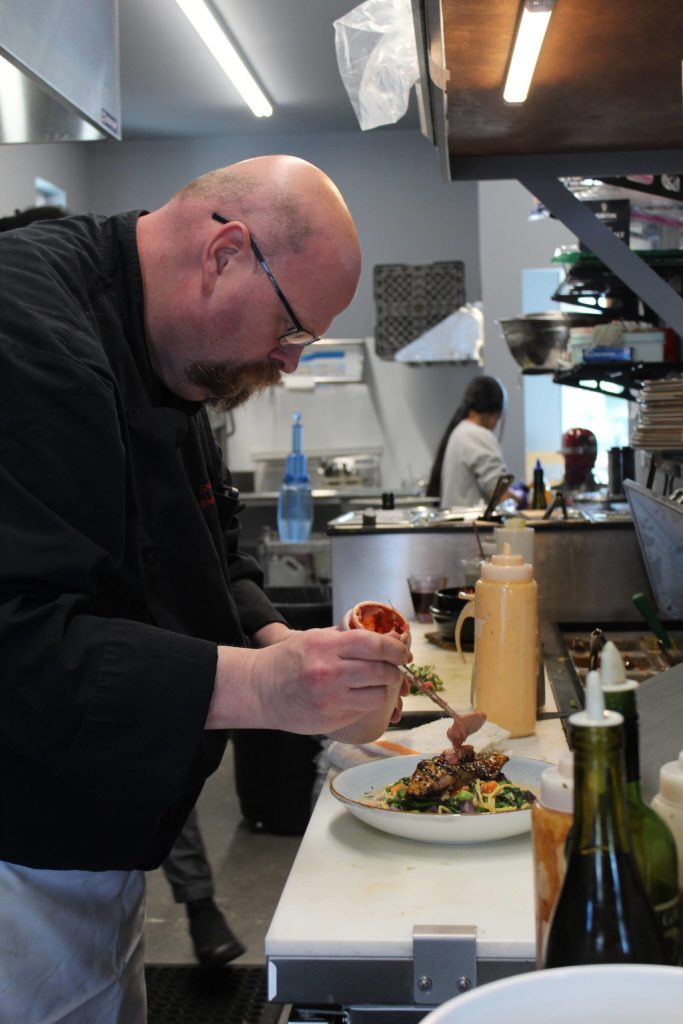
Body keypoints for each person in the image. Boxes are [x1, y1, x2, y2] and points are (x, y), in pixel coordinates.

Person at [0, 156, 416, 1022]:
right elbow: (20, 642)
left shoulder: (167, 347)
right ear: (226, 253)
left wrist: (285, 645)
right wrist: (265, 689)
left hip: (97, 842)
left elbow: (210, 543)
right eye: (291, 329)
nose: (290, 361)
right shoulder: (25, 338)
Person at [426, 375, 510, 508]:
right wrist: (524, 499)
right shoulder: (478, 435)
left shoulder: (460, 430)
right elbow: (499, 493)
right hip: (471, 520)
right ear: (493, 413)